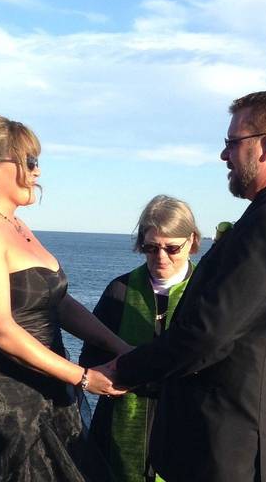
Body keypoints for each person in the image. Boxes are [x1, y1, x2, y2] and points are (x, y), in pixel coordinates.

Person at [103, 91, 266, 482]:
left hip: (231, 449)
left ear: (265, 146)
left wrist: (119, 369)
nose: (224, 156)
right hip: (260, 437)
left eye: (231, 143)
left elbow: (207, 335)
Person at [0, 113, 129, 482]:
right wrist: (83, 378)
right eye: (29, 162)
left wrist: (119, 347)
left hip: (47, 390)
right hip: (1, 403)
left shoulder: (13, 224)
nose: (37, 172)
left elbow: (58, 303)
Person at [80, 195, 201, 482]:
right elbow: (91, 358)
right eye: (151, 247)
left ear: (192, 241)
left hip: (188, 429)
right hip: (118, 430)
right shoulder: (119, 291)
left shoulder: (206, 294)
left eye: (172, 248)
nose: (161, 257)